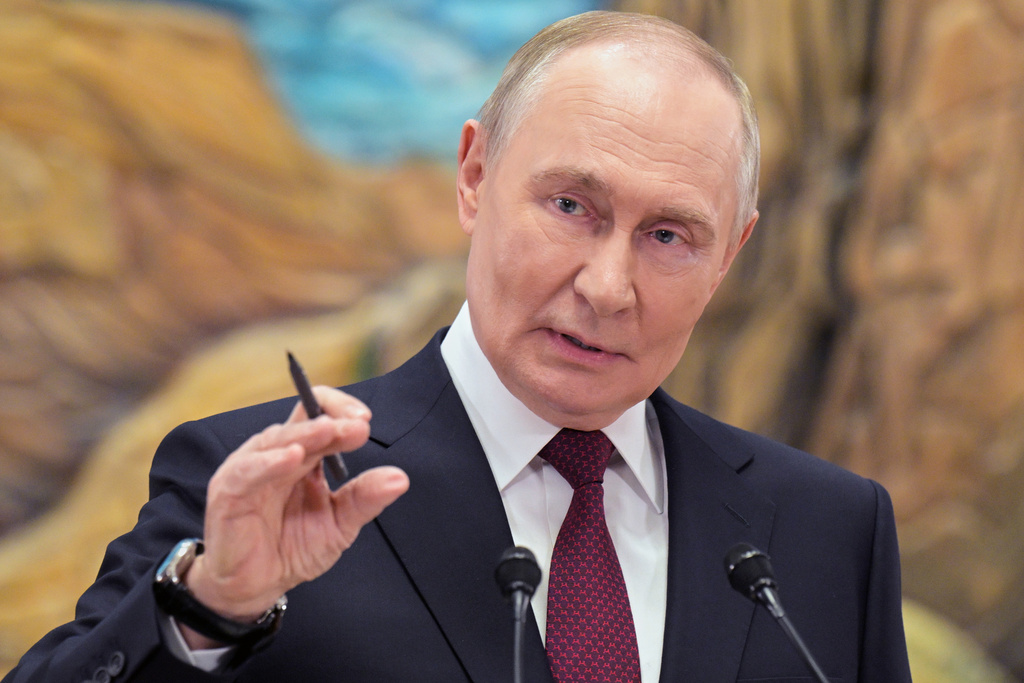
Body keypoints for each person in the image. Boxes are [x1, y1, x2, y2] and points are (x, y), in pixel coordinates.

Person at [4, 10, 911, 683]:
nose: (607, 285)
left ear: (731, 255)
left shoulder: (828, 533)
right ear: (475, 175)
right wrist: (211, 607)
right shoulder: (268, 486)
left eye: (670, 236)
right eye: (571, 207)